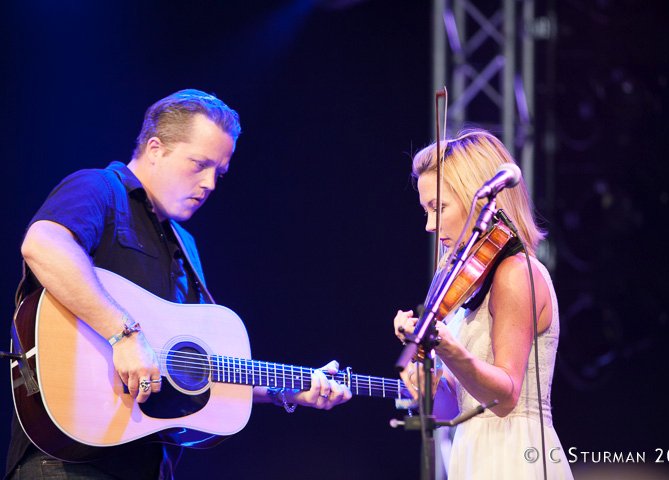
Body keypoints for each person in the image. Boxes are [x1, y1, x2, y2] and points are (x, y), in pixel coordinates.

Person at [5, 89, 351, 480]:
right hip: (67, 463)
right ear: (155, 148)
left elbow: (191, 368)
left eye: (218, 173)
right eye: (199, 164)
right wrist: (124, 335)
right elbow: (43, 244)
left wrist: (286, 390)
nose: (210, 184)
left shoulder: (185, 246)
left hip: (148, 463)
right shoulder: (99, 189)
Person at [394, 129, 573, 479]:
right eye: (425, 210)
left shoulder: (517, 273)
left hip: (513, 455)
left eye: (438, 207)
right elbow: (454, 407)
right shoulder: (469, 288)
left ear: (478, 200)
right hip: (473, 453)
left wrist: (443, 344)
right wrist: (423, 380)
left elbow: (505, 397)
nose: (430, 225)